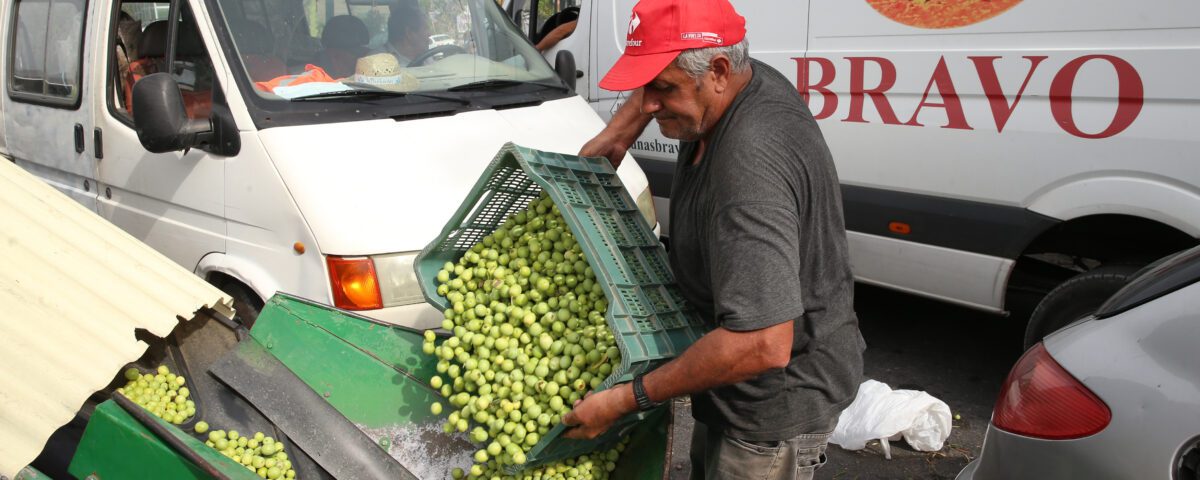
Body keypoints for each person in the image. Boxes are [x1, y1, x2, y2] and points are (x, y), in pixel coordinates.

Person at [560, 0, 866, 479]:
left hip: (769, 410)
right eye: (647, 87)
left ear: (719, 71)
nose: (652, 102)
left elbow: (761, 344)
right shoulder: (736, 82)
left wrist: (626, 398)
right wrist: (622, 130)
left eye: (663, 88)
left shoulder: (749, 169)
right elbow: (668, 82)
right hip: (731, 387)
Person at [382, 2, 429, 66]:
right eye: (425, 29)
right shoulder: (378, 62)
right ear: (409, 33)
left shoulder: (427, 57)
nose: (429, 34)